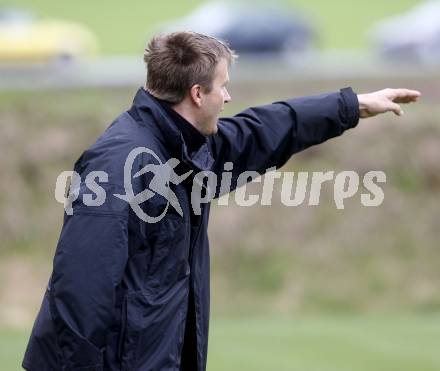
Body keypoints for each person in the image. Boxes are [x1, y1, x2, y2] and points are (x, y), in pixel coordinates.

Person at [22, 31, 420, 371]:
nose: (228, 97)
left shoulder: (184, 148)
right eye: (223, 85)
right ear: (197, 93)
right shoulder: (118, 164)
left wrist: (350, 106)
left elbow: (262, 131)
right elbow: (80, 286)